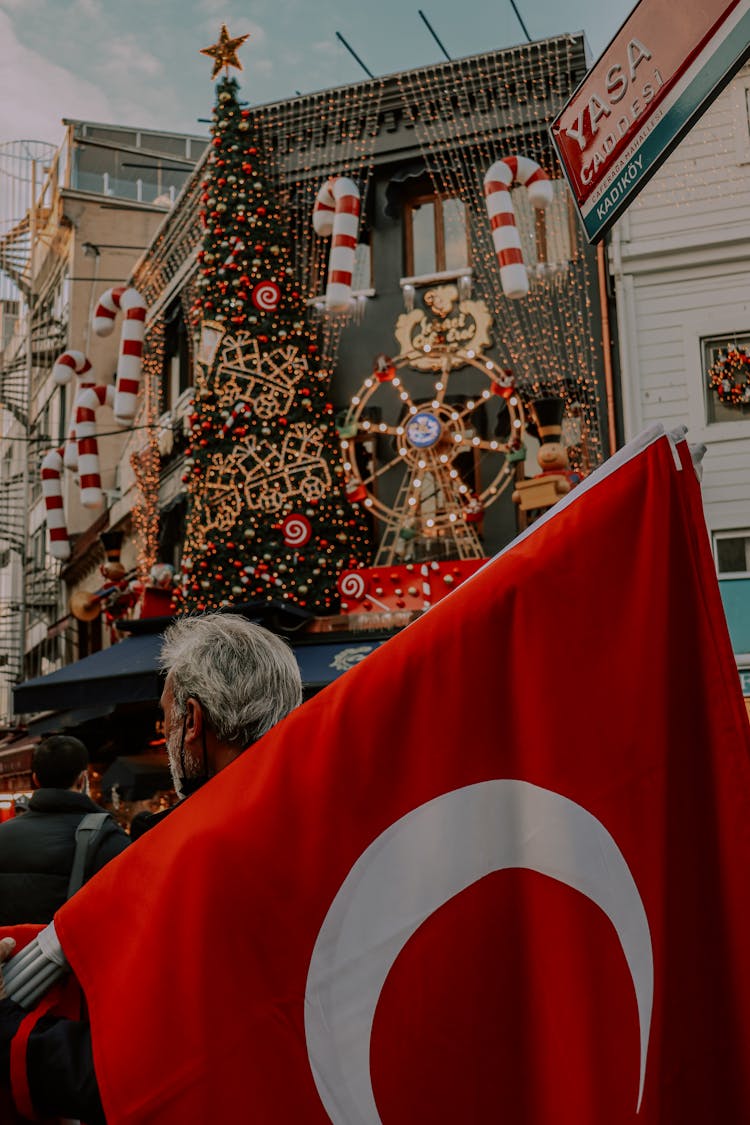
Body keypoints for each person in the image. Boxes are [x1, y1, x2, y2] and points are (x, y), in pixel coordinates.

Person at [0, 613, 303, 1123]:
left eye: (166, 721)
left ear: (193, 721)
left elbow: (136, 1069)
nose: (164, 740)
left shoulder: (197, 859)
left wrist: (8, 1027)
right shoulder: (308, 830)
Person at [0, 735, 129, 925]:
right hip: (72, 953)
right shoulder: (108, 837)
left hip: (8, 951)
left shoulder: (3, 834)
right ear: (82, 779)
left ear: (35, 779)